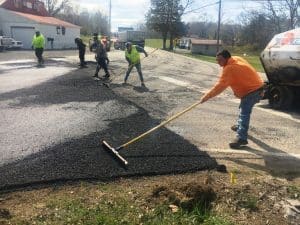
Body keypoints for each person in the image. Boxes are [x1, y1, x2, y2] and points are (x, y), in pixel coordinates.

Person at [200, 49, 264, 149]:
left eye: (220, 60)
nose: (218, 62)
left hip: (252, 91)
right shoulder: (236, 58)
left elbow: (220, 86)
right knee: (243, 108)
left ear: (227, 58)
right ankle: (239, 126)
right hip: (258, 87)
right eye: (217, 60)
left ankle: (241, 138)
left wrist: (206, 97)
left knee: (244, 113)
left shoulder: (229, 68)